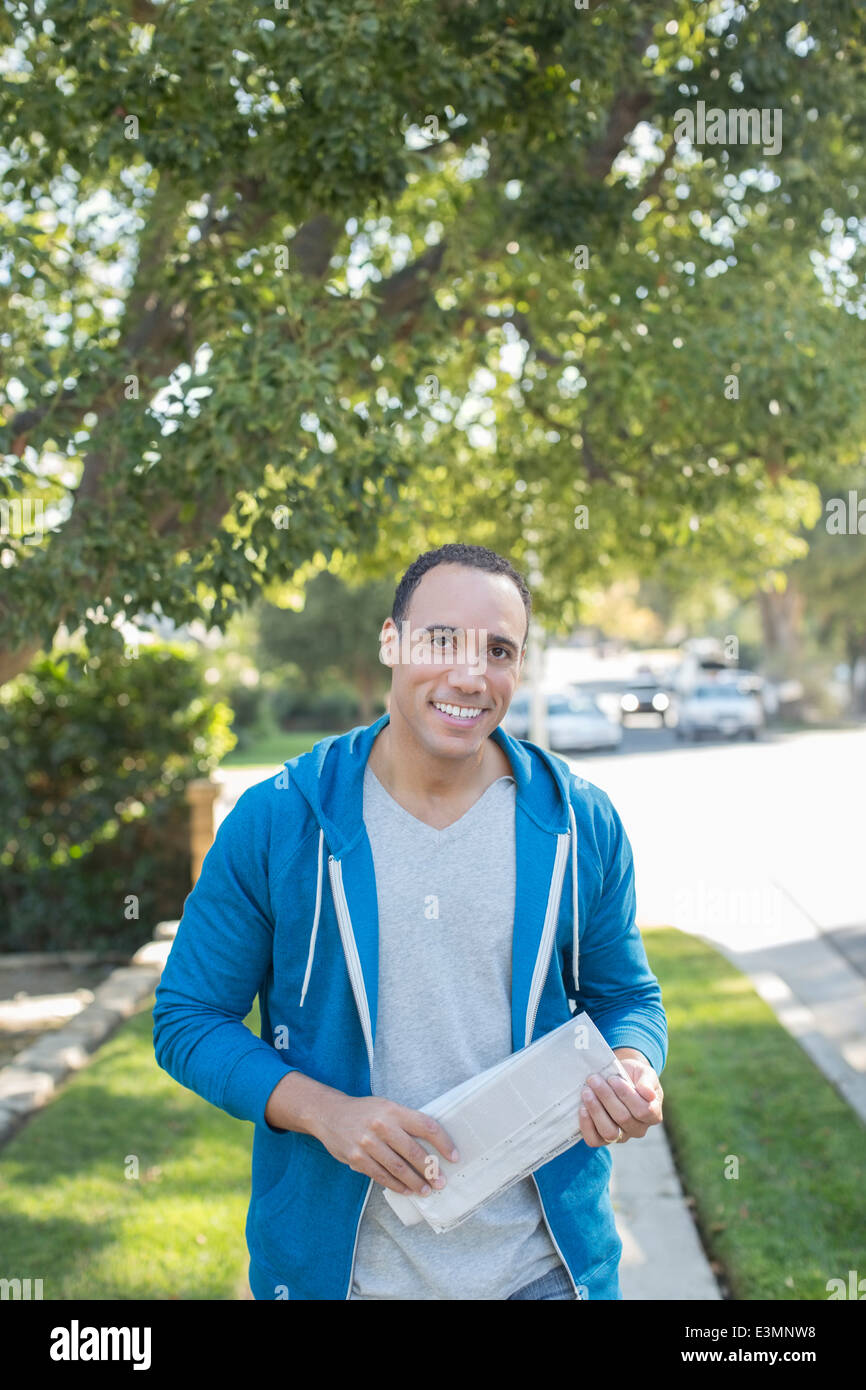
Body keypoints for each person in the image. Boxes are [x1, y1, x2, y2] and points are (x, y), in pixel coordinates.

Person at [153, 542, 667, 1300]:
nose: (470, 674)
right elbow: (189, 1018)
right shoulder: (282, 819)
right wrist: (326, 1113)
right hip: (347, 1279)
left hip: (545, 1273)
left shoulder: (578, 821)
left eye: (499, 650)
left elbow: (628, 997)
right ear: (391, 642)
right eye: (441, 640)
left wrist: (633, 1065)